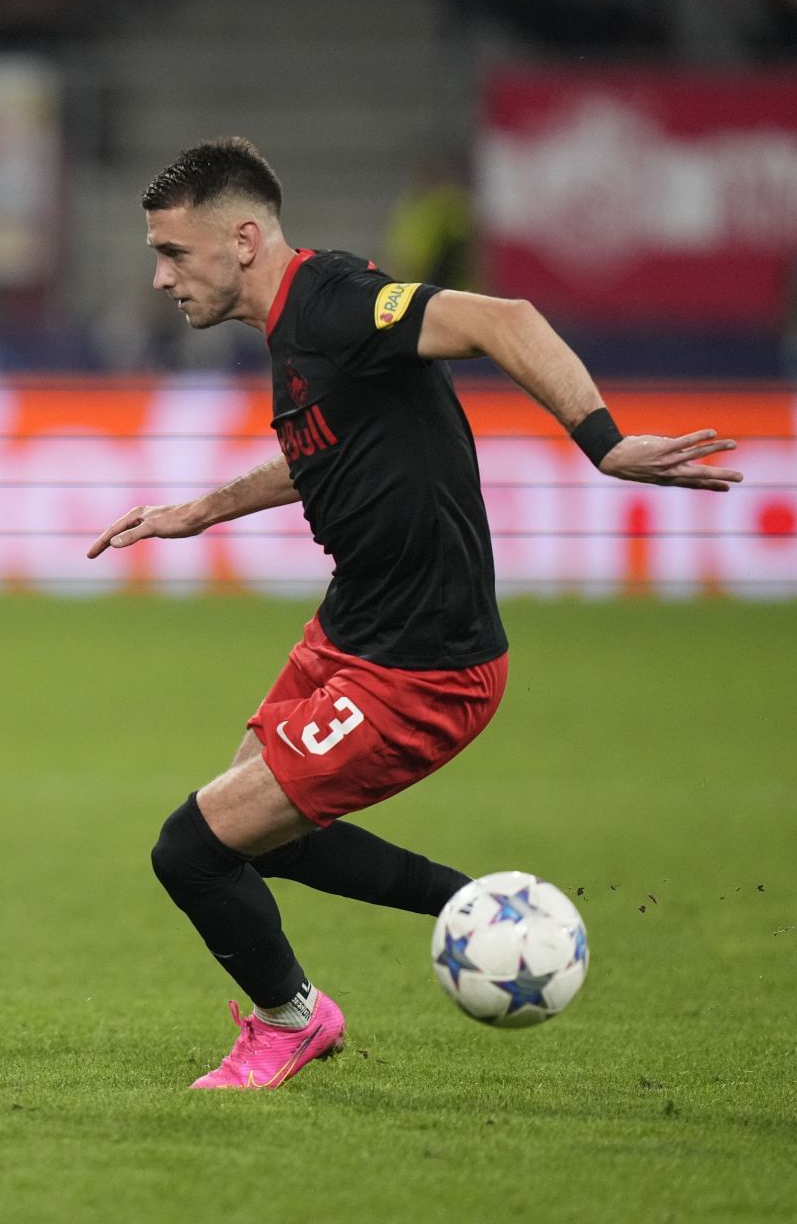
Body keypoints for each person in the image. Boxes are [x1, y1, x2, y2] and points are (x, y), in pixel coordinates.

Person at [89, 138, 741, 1091]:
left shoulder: (336, 300)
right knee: (252, 838)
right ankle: (478, 906)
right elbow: (325, 449)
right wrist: (201, 511)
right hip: (356, 625)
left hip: (425, 663)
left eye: (173, 253)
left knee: (190, 848)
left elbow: (504, 317)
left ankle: (290, 1023)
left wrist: (604, 444)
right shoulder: (295, 333)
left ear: (240, 238)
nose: (158, 277)